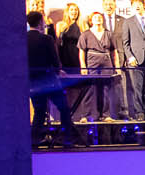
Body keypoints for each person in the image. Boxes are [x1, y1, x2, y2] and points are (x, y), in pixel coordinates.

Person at [27, 9, 78, 147]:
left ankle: (34, 141)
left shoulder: (23, 39)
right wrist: (58, 69)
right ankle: (66, 138)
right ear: (40, 23)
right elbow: (54, 60)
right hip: (49, 81)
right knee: (64, 108)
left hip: (32, 82)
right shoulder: (46, 39)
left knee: (39, 111)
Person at [78, 10, 115, 126]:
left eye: (99, 17)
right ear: (91, 20)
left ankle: (105, 115)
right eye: (95, 17)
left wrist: (115, 66)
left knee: (105, 89)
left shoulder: (108, 33)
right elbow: (81, 52)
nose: (98, 19)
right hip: (92, 61)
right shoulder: (85, 34)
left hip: (106, 61)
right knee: (90, 88)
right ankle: (85, 115)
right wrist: (83, 66)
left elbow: (114, 51)